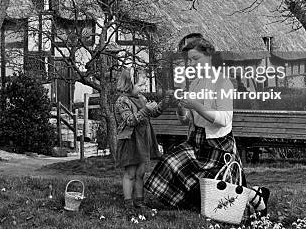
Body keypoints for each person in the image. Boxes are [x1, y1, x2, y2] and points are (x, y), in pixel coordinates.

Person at [145, 34, 269, 217]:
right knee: (169, 162)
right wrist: (181, 108)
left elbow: (224, 119)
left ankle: (253, 195)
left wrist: (196, 105)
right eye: (189, 60)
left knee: (218, 187)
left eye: (196, 59)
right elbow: (186, 120)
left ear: (209, 56)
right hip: (197, 139)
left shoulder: (222, 83)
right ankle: (243, 197)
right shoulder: (195, 84)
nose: (192, 64)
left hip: (218, 142)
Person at [114, 67, 164, 216]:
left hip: (142, 140)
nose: (143, 88)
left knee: (141, 172)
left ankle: (139, 201)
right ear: (129, 85)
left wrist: (163, 103)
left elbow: (153, 113)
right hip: (130, 141)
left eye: (144, 85)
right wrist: (146, 110)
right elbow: (130, 120)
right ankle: (128, 202)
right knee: (130, 172)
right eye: (140, 85)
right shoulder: (122, 101)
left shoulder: (141, 98)